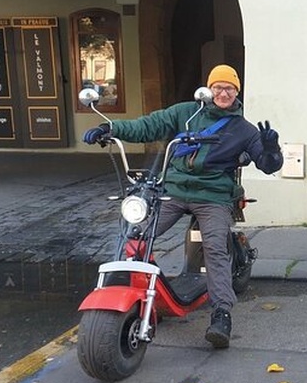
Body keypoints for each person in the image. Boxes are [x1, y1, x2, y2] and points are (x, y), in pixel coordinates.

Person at [82, 64, 283, 348]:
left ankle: (222, 313)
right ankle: (141, 293)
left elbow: (267, 164)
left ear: (237, 92)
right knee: (136, 234)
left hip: (212, 195)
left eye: (229, 88)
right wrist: (110, 128)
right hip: (173, 191)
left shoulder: (244, 130)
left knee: (214, 246)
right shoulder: (186, 112)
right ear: (209, 89)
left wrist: (272, 149)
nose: (223, 93)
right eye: (218, 87)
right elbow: (148, 125)